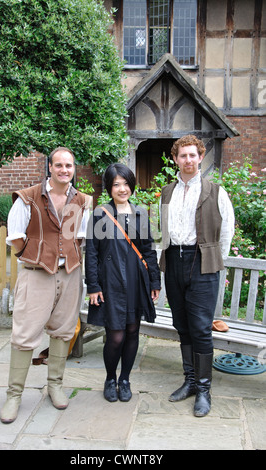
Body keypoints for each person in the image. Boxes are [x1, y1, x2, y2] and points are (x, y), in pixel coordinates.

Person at [0, 147, 90, 424]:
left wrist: (68, 260)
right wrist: (36, 257)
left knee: (63, 331)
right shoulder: (28, 198)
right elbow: (15, 237)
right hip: (36, 274)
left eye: (69, 166)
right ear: (50, 167)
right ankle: (14, 395)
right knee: (25, 333)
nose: (65, 170)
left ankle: (55, 385)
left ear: (74, 169)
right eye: (59, 165)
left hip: (70, 273)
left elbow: (80, 237)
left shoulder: (82, 200)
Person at [159, 135, 234, 417]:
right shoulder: (167, 192)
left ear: (200, 157)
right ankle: (190, 382)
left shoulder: (216, 191)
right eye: (182, 156)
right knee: (182, 324)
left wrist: (213, 259)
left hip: (202, 263)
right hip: (174, 261)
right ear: (175, 159)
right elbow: (164, 229)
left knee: (201, 327)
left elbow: (226, 231)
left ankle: (204, 390)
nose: (188, 160)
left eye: (193, 155)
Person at [85, 163, 161, 402]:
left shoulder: (140, 214)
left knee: (132, 332)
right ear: (109, 187)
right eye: (116, 184)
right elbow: (92, 253)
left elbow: (148, 251)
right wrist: (94, 286)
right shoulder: (100, 214)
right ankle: (110, 378)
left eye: (126, 183)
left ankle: (125, 379)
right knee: (115, 335)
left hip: (136, 282)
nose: (122, 188)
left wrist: (154, 282)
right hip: (111, 283)